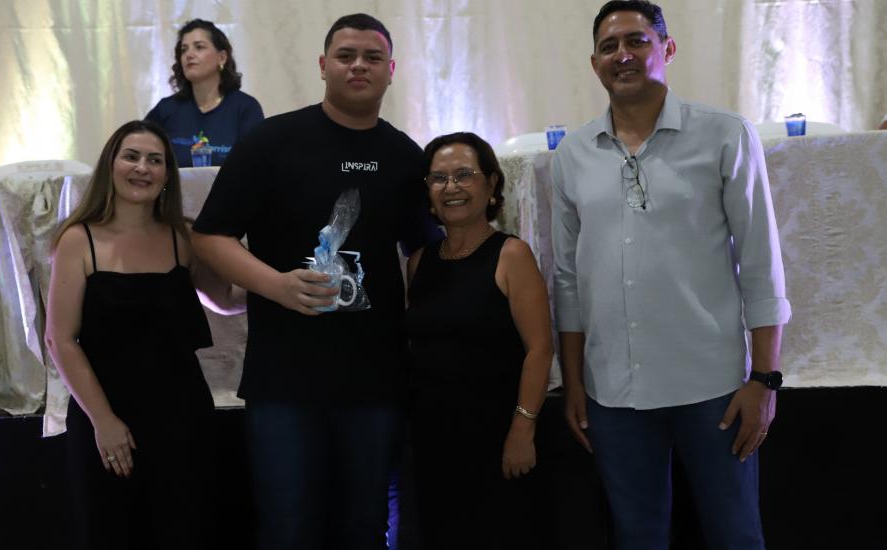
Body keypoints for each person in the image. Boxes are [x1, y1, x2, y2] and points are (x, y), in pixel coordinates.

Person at [541, 1, 792, 549]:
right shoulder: (573, 155)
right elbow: (568, 279)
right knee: (637, 536)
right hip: (613, 389)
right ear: (594, 63)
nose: (623, 55)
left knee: (734, 534)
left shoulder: (724, 135)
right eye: (609, 47)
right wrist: (576, 383)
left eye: (637, 41)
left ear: (667, 48)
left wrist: (765, 379)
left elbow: (761, 265)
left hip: (712, 385)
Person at [190, 13, 439, 550]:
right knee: (288, 530)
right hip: (285, 381)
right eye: (346, 56)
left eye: (372, 57)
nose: (358, 66)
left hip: (376, 381)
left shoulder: (404, 155)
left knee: (366, 528)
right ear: (323, 65)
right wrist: (275, 285)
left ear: (391, 70)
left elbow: (425, 249)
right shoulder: (271, 141)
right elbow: (209, 237)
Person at [45, 120, 240, 549]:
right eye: (131, 157)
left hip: (183, 417)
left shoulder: (182, 236)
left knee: (186, 531)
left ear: (167, 174)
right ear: (110, 166)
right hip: (106, 414)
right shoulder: (78, 239)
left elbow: (226, 300)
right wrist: (104, 422)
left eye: (155, 160)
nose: (142, 168)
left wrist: (286, 286)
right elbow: (60, 339)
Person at [406, 132, 553, 549]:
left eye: (464, 175)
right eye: (439, 178)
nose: (451, 187)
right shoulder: (418, 262)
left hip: (500, 438)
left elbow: (540, 349)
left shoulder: (511, 255)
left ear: (491, 185)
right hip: (434, 440)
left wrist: (522, 429)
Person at [145, 18, 264, 167]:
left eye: (199, 47)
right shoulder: (165, 109)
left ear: (222, 57)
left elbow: (257, 166)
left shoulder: (245, 108)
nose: (189, 55)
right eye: (184, 50)